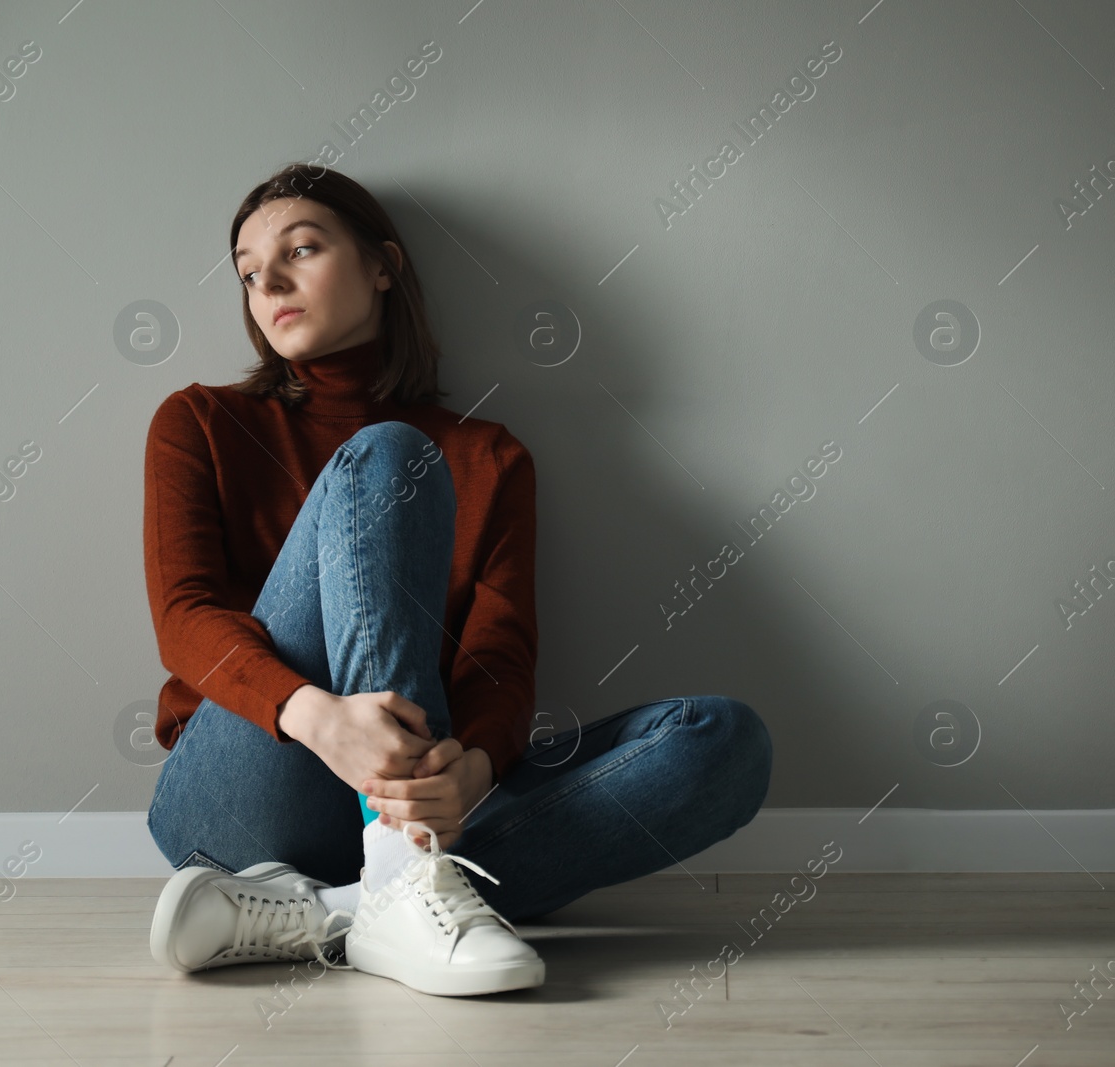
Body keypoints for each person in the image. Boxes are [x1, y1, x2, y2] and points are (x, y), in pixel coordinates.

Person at [142, 163, 773, 997]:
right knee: (391, 455)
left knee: (724, 741)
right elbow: (185, 618)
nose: (272, 284)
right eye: (251, 273)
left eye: (301, 249)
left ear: (382, 267)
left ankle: (346, 906)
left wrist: (470, 773)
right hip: (245, 792)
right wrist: (323, 721)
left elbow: (499, 659)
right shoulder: (199, 422)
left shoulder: (492, 456)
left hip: (426, 802)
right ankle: (405, 878)